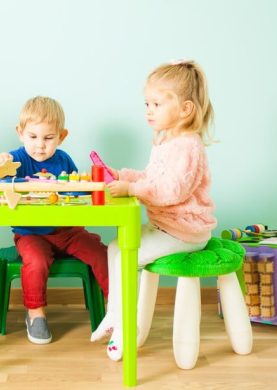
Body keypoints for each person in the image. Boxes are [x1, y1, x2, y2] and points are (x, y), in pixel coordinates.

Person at [90, 60, 218, 362]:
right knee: (114, 247)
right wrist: (121, 175)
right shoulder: (165, 142)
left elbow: (171, 190)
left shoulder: (188, 146)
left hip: (185, 231)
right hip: (166, 227)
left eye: (157, 104)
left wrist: (132, 190)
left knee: (128, 256)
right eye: (147, 103)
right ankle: (114, 314)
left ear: (185, 109)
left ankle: (124, 329)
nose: (149, 110)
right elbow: (151, 178)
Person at [0, 96, 109, 345]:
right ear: (20, 133)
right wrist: (1, 161)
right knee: (35, 261)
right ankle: (35, 314)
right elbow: (2, 175)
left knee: (101, 253)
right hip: (30, 233)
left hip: (67, 231)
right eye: (33, 137)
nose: (40, 146)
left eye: (48, 138)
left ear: (61, 136)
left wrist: (87, 188)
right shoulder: (18, 159)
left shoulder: (63, 160)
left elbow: (78, 190)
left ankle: (117, 308)